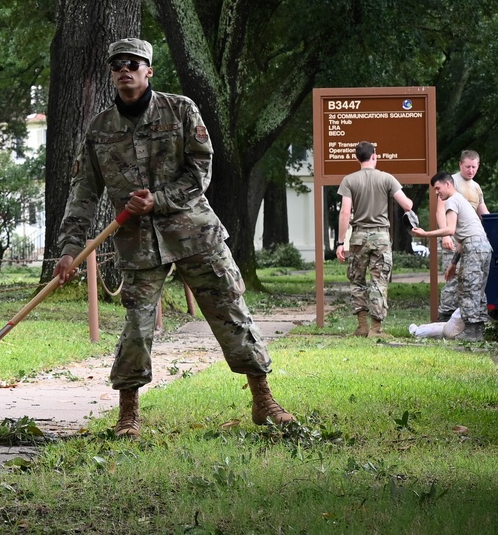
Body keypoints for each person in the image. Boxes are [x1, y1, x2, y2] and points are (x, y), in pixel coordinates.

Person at [54, 37, 294, 437]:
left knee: (231, 312)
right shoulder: (100, 129)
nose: (124, 69)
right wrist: (69, 248)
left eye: (133, 63)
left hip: (195, 234)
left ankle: (264, 400)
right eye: (117, 64)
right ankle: (128, 414)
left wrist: (160, 201)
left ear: (149, 70)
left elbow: (201, 167)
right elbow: (83, 191)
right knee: (136, 326)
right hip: (138, 245)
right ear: (112, 73)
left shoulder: (180, 109)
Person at [335, 141, 415, 338]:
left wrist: (340, 242)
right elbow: (407, 204)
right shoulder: (387, 178)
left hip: (358, 236)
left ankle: (361, 326)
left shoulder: (349, 180)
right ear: (374, 156)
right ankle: (376, 329)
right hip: (380, 236)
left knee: (357, 280)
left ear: (356, 158)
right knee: (379, 281)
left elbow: (345, 212)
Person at [412, 172, 492, 341]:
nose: (436, 193)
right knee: (478, 290)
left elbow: (450, 230)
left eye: (438, 188)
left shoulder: (452, 201)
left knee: (468, 288)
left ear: (448, 184)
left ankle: (470, 332)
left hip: (473, 248)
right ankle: (477, 331)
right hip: (484, 247)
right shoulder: (463, 201)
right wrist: (454, 263)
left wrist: (426, 234)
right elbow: (464, 237)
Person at [437, 150, 489, 321]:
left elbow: (484, 214)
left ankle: (464, 319)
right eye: (467, 166)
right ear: (460, 164)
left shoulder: (476, 187)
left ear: (478, 166)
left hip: (470, 238)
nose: (471, 170)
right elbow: (440, 210)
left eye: (474, 167)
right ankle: (445, 316)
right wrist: (445, 235)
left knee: (472, 280)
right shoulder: (450, 183)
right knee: (453, 279)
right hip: (452, 235)